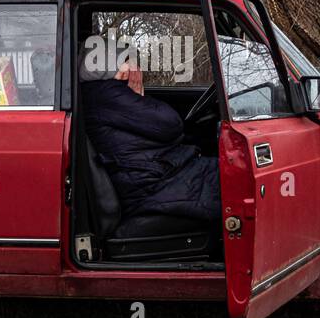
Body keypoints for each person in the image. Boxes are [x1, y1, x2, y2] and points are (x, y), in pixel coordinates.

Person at [78, 57, 220, 224]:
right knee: (235, 180)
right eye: (127, 61)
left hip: (152, 173)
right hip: (150, 185)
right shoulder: (107, 94)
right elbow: (170, 125)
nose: (137, 69)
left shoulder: (100, 94)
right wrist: (138, 96)